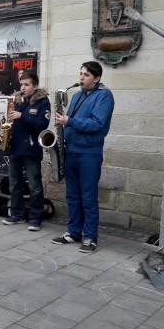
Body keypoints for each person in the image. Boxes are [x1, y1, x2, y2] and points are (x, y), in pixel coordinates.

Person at [51, 61, 115, 253]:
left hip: (89, 153)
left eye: (86, 75)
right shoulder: (78, 95)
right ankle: (73, 232)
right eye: (80, 74)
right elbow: (69, 123)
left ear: (97, 78)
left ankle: (90, 237)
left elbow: (96, 123)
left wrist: (69, 120)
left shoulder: (104, 96)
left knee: (88, 197)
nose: (81, 78)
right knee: (72, 196)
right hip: (72, 151)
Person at [1, 72, 51, 231]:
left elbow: (42, 125)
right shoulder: (17, 100)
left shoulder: (43, 102)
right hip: (15, 147)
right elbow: (11, 121)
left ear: (35, 86)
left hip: (31, 149)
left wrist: (22, 115)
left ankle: (36, 218)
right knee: (14, 184)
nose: (23, 88)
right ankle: (17, 214)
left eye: (26, 85)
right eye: (21, 84)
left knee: (35, 185)